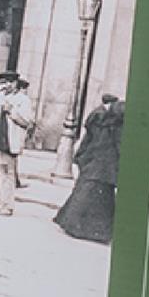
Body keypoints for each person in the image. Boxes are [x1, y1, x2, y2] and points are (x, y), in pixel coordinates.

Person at [54, 95, 123, 243]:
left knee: (84, 193)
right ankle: (93, 232)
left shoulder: (95, 117)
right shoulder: (115, 124)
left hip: (92, 161)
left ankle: (71, 224)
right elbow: (118, 145)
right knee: (100, 199)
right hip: (105, 165)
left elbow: (87, 140)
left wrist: (80, 157)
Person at [0, 71, 34, 216]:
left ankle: (7, 205)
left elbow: (26, 121)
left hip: (8, 141)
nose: (7, 85)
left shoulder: (23, 100)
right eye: (5, 82)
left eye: (11, 82)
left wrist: (11, 111)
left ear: (16, 84)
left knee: (6, 173)